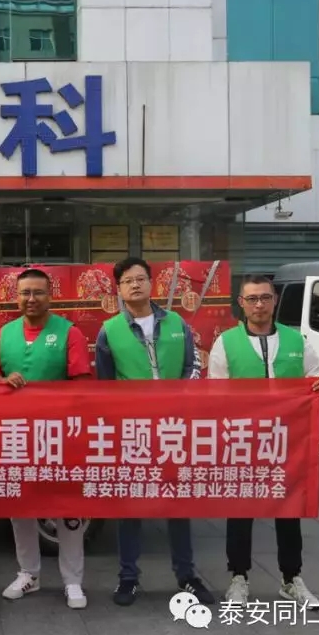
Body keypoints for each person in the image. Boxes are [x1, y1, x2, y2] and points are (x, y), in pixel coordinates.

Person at [208, 274, 319, 609]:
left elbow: (317, 378)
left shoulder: (296, 340)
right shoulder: (226, 343)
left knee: (289, 509)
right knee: (241, 509)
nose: (259, 305)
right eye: (252, 299)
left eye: (265, 298)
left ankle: (291, 578)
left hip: (287, 440)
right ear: (241, 303)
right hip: (242, 439)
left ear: (275, 300)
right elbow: (215, 392)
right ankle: (238, 577)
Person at [94, 257, 215, 607]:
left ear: (151, 283)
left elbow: (193, 365)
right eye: (127, 281)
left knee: (178, 503)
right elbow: (106, 386)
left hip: (174, 428)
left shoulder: (177, 323)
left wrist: (179, 398)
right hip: (133, 431)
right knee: (130, 505)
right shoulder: (109, 330)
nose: (135, 285)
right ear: (119, 289)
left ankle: (187, 575)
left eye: (141, 279)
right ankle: (128, 577)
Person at [0, 268, 93, 610]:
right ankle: (28, 573)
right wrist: (4, 380)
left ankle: (72, 581)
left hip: (60, 436)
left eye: (38, 292)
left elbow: (81, 384)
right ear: (16, 297)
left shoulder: (69, 332)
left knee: (68, 511)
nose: (31, 299)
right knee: (21, 508)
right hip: (17, 436)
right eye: (24, 293)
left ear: (50, 296)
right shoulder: (5, 333)